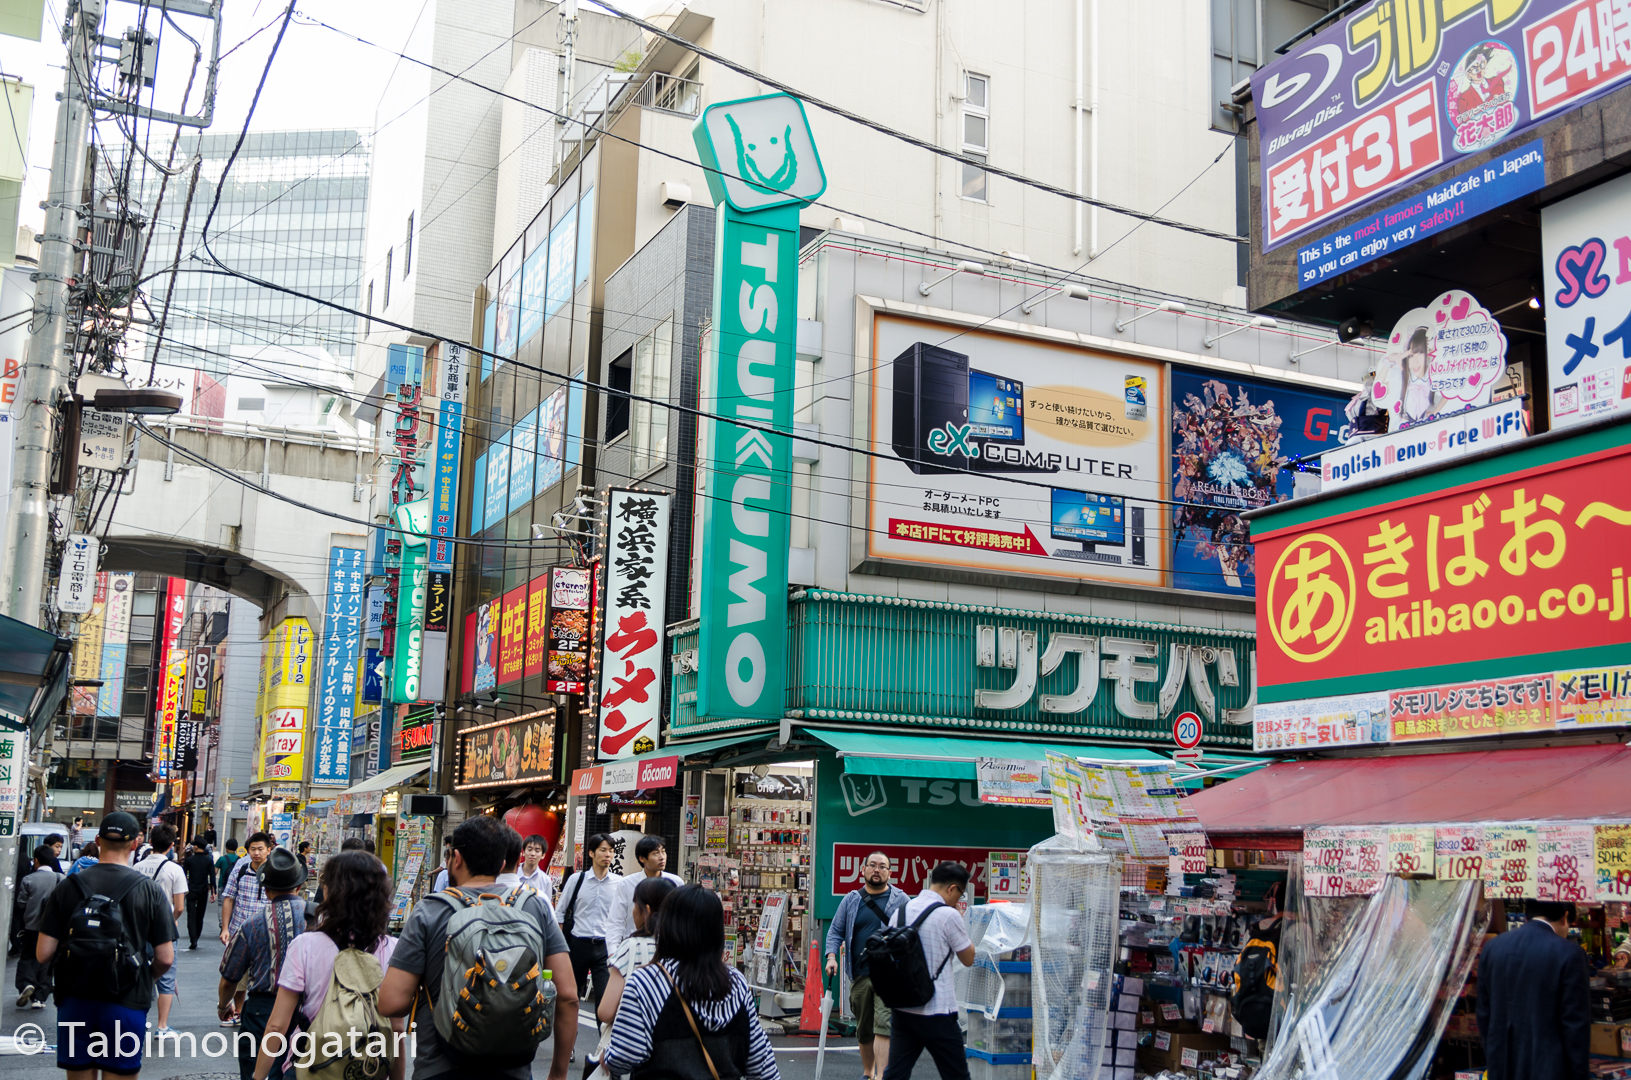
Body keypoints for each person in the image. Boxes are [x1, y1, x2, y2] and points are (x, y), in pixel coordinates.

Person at [378, 814, 579, 1080]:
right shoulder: (534, 906)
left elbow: (392, 1003)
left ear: (456, 858)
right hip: (514, 1068)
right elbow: (568, 996)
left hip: (441, 1067)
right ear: (504, 862)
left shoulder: (430, 910)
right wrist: (558, 1073)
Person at [37, 811, 177, 1078]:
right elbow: (165, 958)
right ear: (135, 843)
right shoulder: (149, 890)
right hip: (127, 1000)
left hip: (74, 997)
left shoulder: (67, 886)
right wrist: (143, 976)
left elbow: (43, 954)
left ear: (98, 841)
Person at [249, 851, 404, 1080]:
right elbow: (397, 1028)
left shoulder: (305, 945)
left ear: (329, 892)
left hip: (312, 1066)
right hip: (368, 1068)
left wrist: (258, 1077)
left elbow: (276, 1027)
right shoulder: (394, 949)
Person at [602, 884, 780, 1080]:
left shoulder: (645, 982)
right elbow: (761, 1065)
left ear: (668, 926)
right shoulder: (736, 982)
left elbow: (624, 1056)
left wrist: (607, 1057)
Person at [879, 863, 977, 1080]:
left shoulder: (901, 912)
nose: (958, 899)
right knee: (956, 1075)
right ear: (952, 888)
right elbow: (968, 958)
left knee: (895, 1073)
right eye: (960, 893)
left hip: (904, 1007)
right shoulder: (948, 915)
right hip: (937, 1010)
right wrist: (959, 919)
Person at [216, 848, 307, 1080]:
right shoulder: (320, 919)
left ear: (266, 891)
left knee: (257, 1071)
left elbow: (230, 978)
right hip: (311, 1010)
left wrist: (223, 1006)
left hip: (262, 1011)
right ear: (299, 886)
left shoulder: (252, 924)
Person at [1476, 899, 1591, 1080]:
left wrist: (1494, 1055)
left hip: (1502, 1065)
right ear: (1565, 916)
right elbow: (1575, 1025)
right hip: (1550, 1068)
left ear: (1527, 913)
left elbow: (1484, 1014)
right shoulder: (1570, 953)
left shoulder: (1493, 948)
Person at [824, 852, 909, 1080]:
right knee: (864, 1029)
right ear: (863, 869)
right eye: (872, 865)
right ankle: (868, 1072)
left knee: (883, 1026)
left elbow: (913, 932)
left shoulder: (901, 900)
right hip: (860, 975)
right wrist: (831, 956)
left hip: (889, 975)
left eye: (883, 866)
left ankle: (882, 1076)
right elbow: (835, 931)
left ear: (889, 872)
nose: (877, 870)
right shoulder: (851, 899)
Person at [598, 875, 678, 1024]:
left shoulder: (630, 947)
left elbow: (606, 1012)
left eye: (635, 905)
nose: (633, 911)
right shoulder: (685, 948)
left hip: (632, 1040)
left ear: (646, 910)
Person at [557, 834, 624, 1008]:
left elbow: (623, 916)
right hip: (578, 944)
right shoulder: (576, 880)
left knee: (604, 997)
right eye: (603, 850)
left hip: (605, 947)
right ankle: (570, 1034)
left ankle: (603, 1034)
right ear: (591, 853)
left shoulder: (619, 883)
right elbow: (560, 913)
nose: (608, 854)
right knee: (571, 996)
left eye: (611, 850)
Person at [135, 823, 189, 1033]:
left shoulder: (136, 867)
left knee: (137, 972)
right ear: (172, 845)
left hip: (139, 929)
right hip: (164, 931)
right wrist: (171, 919)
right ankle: (162, 1026)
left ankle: (137, 1021)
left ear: (150, 841)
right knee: (166, 978)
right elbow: (180, 906)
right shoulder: (175, 869)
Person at [220, 832, 275, 1026]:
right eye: (253, 849)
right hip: (239, 930)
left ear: (269, 850)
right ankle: (239, 1012)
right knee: (238, 973)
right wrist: (225, 928)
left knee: (263, 974)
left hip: (267, 932)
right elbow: (229, 897)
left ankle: (259, 1013)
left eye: (261, 849)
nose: (256, 853)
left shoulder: (275, 870)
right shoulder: (241, 867)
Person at [607, 836, 683, 954]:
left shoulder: (676, 882)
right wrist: (613, 952)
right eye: (655, 853)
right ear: (642, 858)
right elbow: (616, 921)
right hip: (633, 949)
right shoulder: (626, 883)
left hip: (666, 948)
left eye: (663, 852)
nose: (662, 857)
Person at [15, 844, 62, 1008]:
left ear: (35, 860)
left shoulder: (29, 879)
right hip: (53, 929)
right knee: (47, 960)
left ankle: (26, 983)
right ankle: (40, 998)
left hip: (31, 926)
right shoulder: (60, 879)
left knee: (27, 956)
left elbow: (21, 903)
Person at [183, 836, 215, 949]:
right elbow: (212, 877)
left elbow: (183, 876)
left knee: (191, 914)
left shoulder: (189, 860)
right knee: (200, 915)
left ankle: (193, 939)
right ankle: (197, 936)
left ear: (196, 847)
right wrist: (213, 892)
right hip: (203, 890)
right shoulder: (208, 860)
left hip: (191, 890)